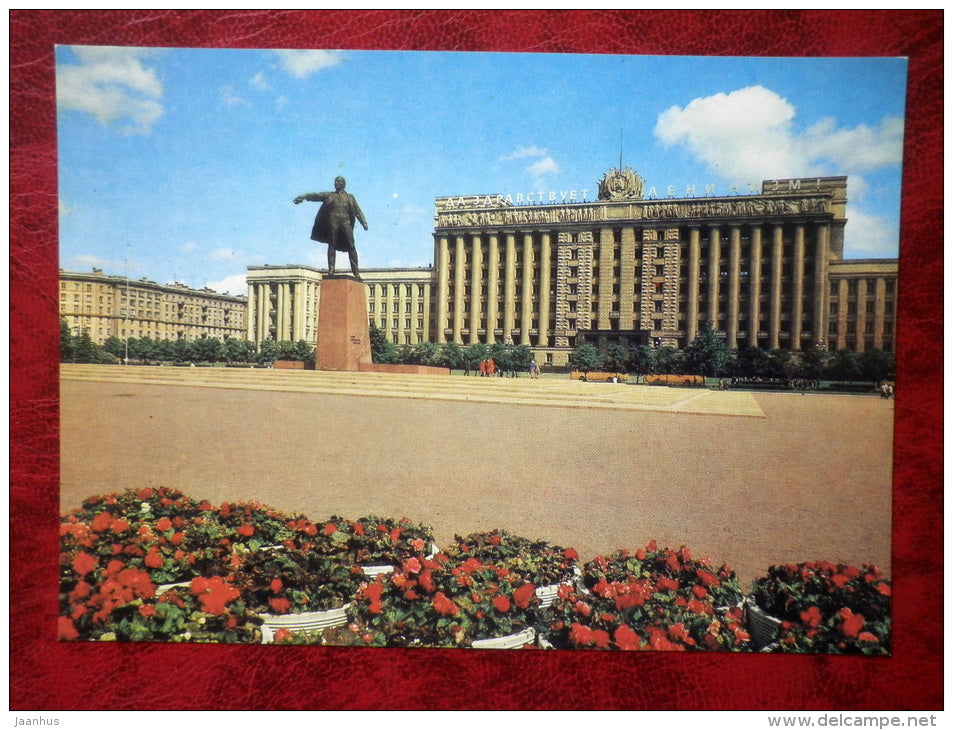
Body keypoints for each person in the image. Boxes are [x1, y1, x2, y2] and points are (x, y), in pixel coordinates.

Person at [294, 176, 368, 280]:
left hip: (346, 223)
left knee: (351, 245)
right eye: (335, 181)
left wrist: (364, 222)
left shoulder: (350, 197)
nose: (335, 183)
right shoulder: (329, 195)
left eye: (338, 181)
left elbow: (357, 211)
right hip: (333, 223)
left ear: (343, 184)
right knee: (332, 245)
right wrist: (305, 196)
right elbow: (316, 195)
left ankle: (356, 272)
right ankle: (331, 270)